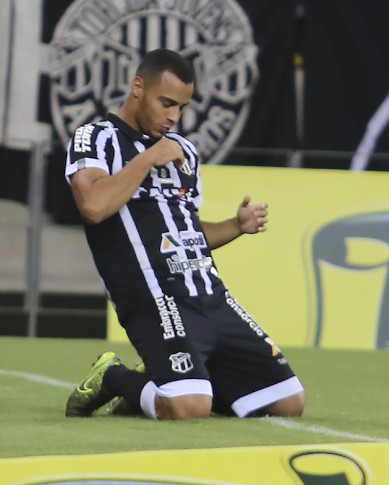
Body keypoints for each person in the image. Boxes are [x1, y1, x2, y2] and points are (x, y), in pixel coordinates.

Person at [62, 49, 305, 421]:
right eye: (166, 103)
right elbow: (93, 206)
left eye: (181, 107)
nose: (174, 116)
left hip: (211, 296)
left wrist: (235, 226)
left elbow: (184, 234)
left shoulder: (183, 151)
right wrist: (147, 158)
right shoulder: (95, 137)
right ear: (138, 87)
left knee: (287, 402)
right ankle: (113, 377)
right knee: (188, 408)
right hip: (156, 299)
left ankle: (164, 381)